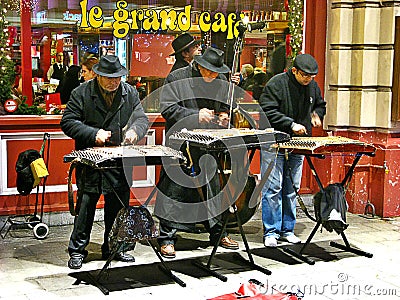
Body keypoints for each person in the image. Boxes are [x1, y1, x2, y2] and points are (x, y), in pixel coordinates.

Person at [61, 55, 149, 269]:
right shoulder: (81, 93)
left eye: (118, 77)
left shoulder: (129, 92)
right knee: (86, 208)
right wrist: (93, 134)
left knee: (118, 207)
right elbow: (68, 122)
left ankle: (116, 247)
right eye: (109, 78)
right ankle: (77, 250)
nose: (114, 82)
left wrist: (136, 131)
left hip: (119, 160)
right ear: (98, 75)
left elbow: (141, 118)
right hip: (91, 161)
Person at [154, 47, 240, 258]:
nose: (213, 76)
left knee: (213, 188)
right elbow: (167, 109)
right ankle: (167, 237)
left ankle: (218, 233)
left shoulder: (219, 80)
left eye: (216, 73)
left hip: (208, 142)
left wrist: (222, 117)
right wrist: (195, 115)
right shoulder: (177, 77)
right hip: (179, 141)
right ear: (199, 65)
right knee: (174, 188)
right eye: (209, 71)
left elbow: (224, 107)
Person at [258, 54, 326, 248]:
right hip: (274, 141)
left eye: (311, 76)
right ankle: (271, 231)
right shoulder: (276, 84)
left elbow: (320, 104)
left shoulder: (312, 86)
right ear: (294, 70)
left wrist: (316, 114)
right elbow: (267, 110)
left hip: (299, 142)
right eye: (305, 75)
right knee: (273, 188)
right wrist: (290, 124)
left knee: (291, 188)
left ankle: (287, 230)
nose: (308, 80)